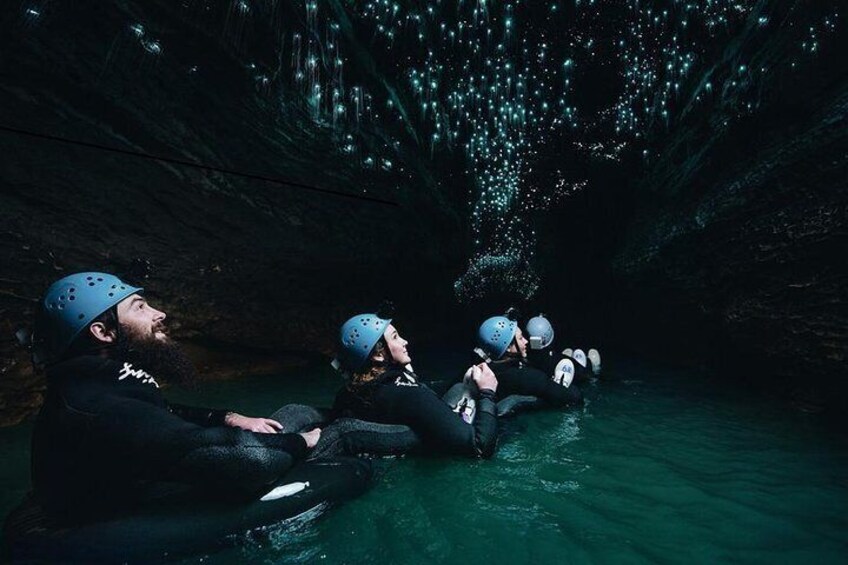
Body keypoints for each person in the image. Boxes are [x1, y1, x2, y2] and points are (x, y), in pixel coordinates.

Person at [29, 272, 321, 523]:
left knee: (297, 411)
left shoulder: (98, 381)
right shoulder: (98, 406)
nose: (160, 314)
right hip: (104, 522)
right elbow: (250, 460)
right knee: (319, 429)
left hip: (134, 481)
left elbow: (162, 412)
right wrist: (303, 441)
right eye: (140, 307)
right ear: (103, 332)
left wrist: (228, 418)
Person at [331, 312, 499, 458]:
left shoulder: (347, 393)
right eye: (395, 337)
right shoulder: (408, 395)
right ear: (379, 355)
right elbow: (480, 446)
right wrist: (487, 392)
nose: (405, 341)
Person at [476, 315, 583, 408]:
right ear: (508, 347)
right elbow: (574, 396)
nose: (526, 341)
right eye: (521, 338)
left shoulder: (482, 371)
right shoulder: (528, 377)